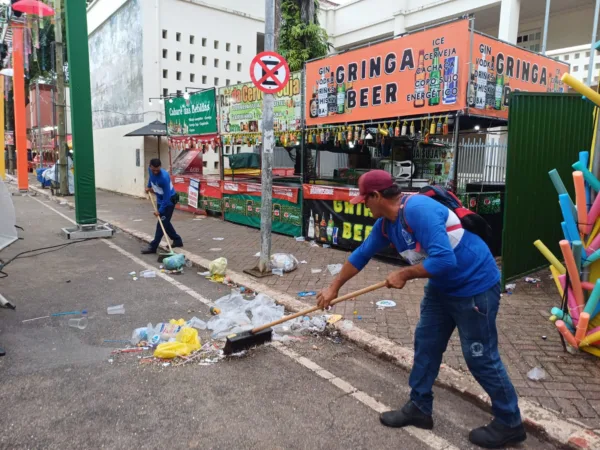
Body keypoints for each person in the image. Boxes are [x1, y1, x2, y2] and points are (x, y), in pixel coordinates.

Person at [316, 170, 525, 449]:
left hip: (474, 287)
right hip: (441, 290)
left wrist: (404, 275)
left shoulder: (417, 210)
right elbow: (362, 254)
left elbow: (445, 260)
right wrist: (334, 288)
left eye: (365, 201)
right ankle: (419, 407)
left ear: (377, 196)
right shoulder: (386, 224)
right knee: (426, 345)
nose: (364, 207)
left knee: (480, 357)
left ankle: (510, 423)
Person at [141, 159, 183, 254]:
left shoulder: (164, 178)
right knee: (165, 221)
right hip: (160, 198)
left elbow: (167, 197)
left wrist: (160, 210)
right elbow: (151, 178)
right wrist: (148, 187)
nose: (155, 172)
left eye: (157, 170)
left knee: (161, 223)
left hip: (169, 200)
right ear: (150, 166)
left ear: (160, 167)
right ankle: (177, 240)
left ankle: (153, 246)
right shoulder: (150, 170)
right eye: (153, 170)